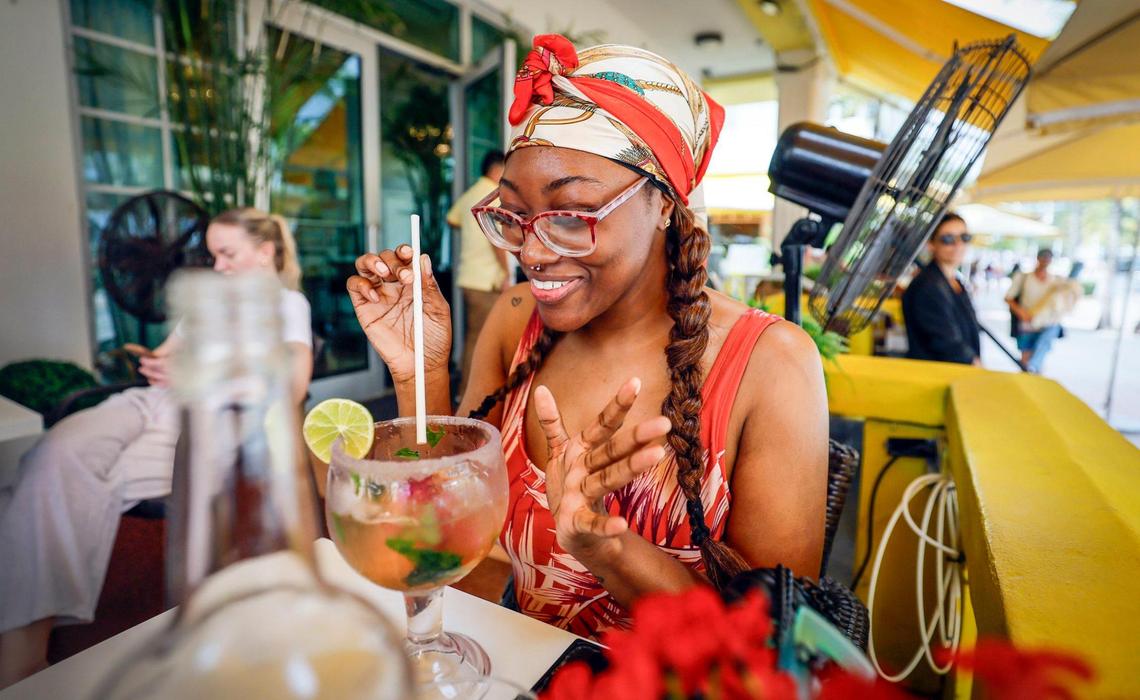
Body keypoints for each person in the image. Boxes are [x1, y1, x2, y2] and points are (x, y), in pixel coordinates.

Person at [347, 35, 828, 639]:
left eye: (572, 215)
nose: (533, 251)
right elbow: (440, 525)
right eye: (512, 216)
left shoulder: (770, 362)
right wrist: (420, 373)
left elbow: (775, 643)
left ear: (662, 203)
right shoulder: (515, 315)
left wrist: (609, 547)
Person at [0, 208, 313, 686]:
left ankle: (24, 655)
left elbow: (290, 385)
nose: (219, 266)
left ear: (265, 251)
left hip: (204, 417)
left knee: (85, 477)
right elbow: (166, 356)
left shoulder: (286, 305)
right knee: (53, 452)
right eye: (213, 256)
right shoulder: (210, 299)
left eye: (227, 254)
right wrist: (154, 363)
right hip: (147, 403)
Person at [448, 150, 509, 394]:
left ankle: (466, 391)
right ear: (496, 170)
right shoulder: (492, 196)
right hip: (485, 281)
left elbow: (451, 220)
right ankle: (469, 394)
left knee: (474, 336)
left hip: (469, 277)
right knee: (482, 340)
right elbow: (496, 240)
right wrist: (507, 273)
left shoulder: (471, 194)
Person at [901, 213, 981, 365]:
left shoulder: (955, 281)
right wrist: (975, 363)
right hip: (937, 376)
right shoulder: (927, 286)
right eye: (948, 239)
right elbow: (946, 343)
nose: (958, 245)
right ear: (931, 244)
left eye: (964, 237)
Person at [1006, 249, 1068, 373]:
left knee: (1039, 356)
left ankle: (1032, 371)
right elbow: (1009, 298)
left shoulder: (1055, 280)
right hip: (1027, 323)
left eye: (1048, 258)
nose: (1045, 260)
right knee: (1026, 357)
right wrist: (1021, 313)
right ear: (1038, 258)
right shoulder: (1024, 277)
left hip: (1046, 323)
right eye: (1043, 257)